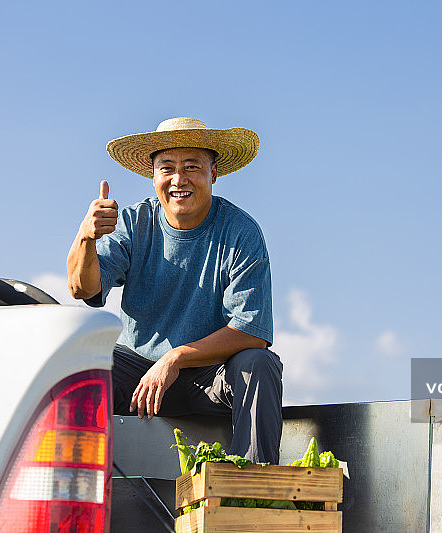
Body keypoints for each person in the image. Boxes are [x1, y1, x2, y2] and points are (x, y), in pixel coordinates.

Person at [66, 117, 283, 464]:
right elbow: (83, 288)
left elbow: (252, 332)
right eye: (167, 167)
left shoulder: (241, 231)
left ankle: (251, 487)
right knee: (76, 365)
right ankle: (74, 484)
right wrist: (86, 238)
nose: (179, 179)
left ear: (214, 173)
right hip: (139, 376)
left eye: (192, 166)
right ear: (153, 176)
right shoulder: (134, 223)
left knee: (259, 363)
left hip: (210, 377)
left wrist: (176, 357)